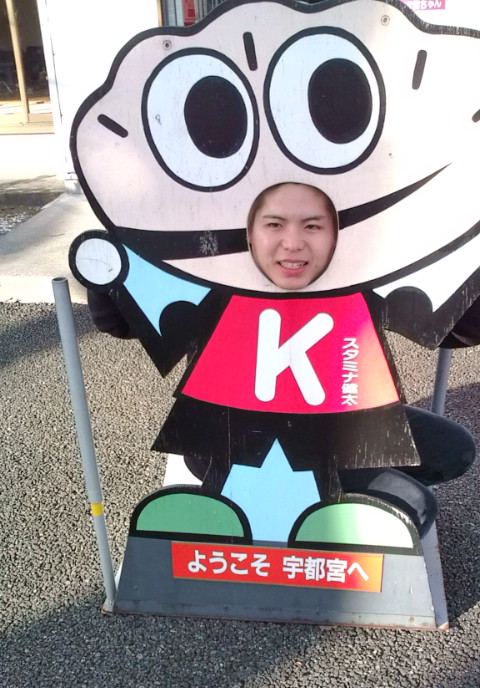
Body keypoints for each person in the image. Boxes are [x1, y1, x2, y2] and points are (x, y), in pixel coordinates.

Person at [86, 182, 475, 538]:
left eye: (312, 226)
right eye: (274, 224)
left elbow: (457, 330)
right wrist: (106, 253)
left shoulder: (355, 272)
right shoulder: (211, 273)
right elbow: (119, 321)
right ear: (250, 230)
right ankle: (286, 537)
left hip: (341, 423)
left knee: (454, 450)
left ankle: (324, 514)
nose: (292, 243)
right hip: (229, 440)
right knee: (413, 510)